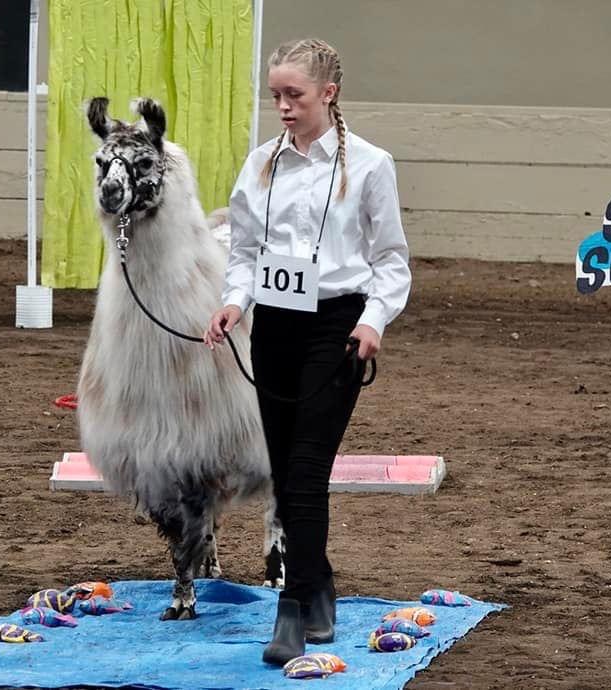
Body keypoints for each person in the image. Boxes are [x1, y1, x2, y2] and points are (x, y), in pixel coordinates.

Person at [204, 37, 411, 665]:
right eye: (276, 96)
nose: (284, 107)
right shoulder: (260, 163)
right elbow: (243, 251)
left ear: (329, 92)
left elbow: (391, 260)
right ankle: (319, 585)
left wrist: (374, 320)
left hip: (338, 328)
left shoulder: (371, 165)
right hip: (275, 327)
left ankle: (291, 610)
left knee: (305, 472)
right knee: (286, 470)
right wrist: (235, 300)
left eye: (294, 95)